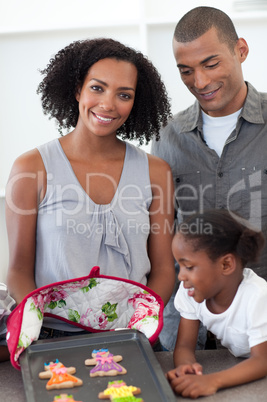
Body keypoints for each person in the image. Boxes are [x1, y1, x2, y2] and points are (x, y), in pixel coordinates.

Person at [4, 38, 175, 353]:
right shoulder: (31, 167)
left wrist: (136, 329)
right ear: (77, 89)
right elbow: (18, 270)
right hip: (52, 338)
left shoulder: (156, 172)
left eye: (124, 95)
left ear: (135, 103)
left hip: (133, 337)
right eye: (97, 88)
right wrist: (37, 332)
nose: (108, 104)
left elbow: (164, 269)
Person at [151, 5, 267, 352]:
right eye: (186, 70)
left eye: (210, 64)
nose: (199, 82)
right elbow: (162, 231)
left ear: (240, 50)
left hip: (259, 321)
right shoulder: (167, 136)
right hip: (188, 324)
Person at [167, 209, 267, 398]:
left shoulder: (257, 296)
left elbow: (262, 361)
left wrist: (213, 381)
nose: (180, 276)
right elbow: (184, 346)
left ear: (226, 265)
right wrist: (186, 368)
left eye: (189, 267)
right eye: (179, 266)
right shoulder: (190, 292)